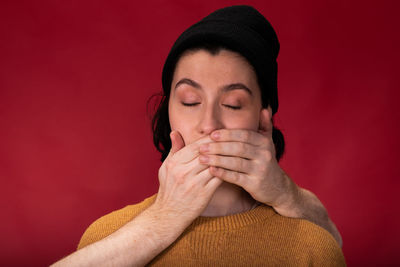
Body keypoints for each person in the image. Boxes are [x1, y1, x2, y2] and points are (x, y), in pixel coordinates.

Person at [52, 5, 345, 266]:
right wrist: (164, 218)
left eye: (233, 104)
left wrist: (283, 190)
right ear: (168, 113)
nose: (209, 124)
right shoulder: (105, 236)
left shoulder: (310, 249)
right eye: (190, 101)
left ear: (262, 119)